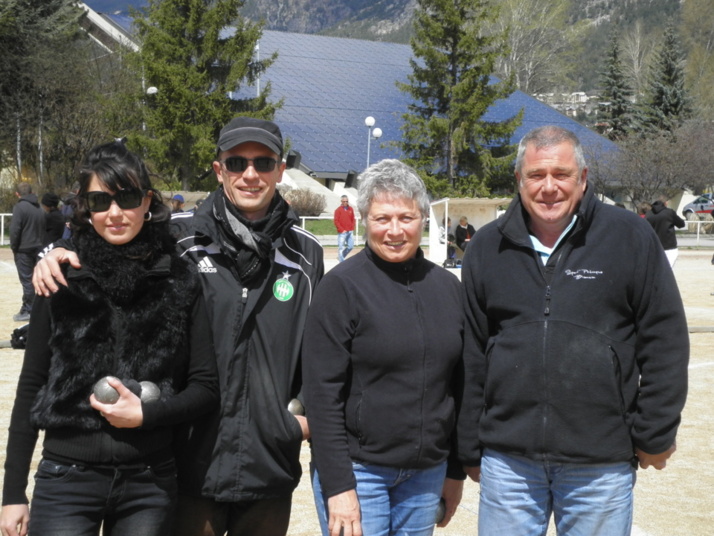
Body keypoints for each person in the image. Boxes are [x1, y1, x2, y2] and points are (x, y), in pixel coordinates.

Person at [31, 117, 324, 535]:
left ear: (280, 169)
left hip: (268, 461)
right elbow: (113, 235)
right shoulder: (177, 238)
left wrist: (300, 418)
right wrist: (56, 250)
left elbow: (319, 349)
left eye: (264, 162)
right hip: (188, 460)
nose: (250, 174)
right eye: (237, 162)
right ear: (219, 169)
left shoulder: (307, 254)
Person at [457, 125, 689, 536]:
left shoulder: (630, 236)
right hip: (508, 464)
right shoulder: (486, 247)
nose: (549, 187)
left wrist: (655, 430)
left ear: (582, 179)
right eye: (536, 175)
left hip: (599, 462)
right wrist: (469, 444)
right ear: (519, 180)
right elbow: (472, 353)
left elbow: (665, 338)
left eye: (561, 174)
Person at [1, 140, 219, 536]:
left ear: (148, 201)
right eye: (100, 201)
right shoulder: (60, 276)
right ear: (85, 207)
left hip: (149, 483)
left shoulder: (180, 279)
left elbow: (205, 386)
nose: (115, 213)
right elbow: (32, 383)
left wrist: (148, 414)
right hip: (67, 478)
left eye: (128, 197)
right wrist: (12, 492)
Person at [303, 159, 465, 536]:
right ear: (364, 220)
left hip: (426, 474)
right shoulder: (341, 288)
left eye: (406, 218)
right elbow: (322, 394)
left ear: (423, 218)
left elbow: (459, 384)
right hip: (361, 472)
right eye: (382, 219)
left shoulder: (448, 288)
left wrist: (454, 469)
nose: (394, 231)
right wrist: (339, 486)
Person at [10, 182, 45, 322]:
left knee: (27, 281)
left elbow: (15, 230)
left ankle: (29, 310)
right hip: (38, 247)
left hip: (23, 249)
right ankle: (31, 307)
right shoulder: (39, 207)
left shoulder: (19, 207)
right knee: (35, 279)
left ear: (17, 194)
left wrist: (14, 247)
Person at [646, 196, 686, 267]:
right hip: (669, 246)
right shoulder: (669, 212)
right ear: (665, 203)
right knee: (668, 270)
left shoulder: (648, 214)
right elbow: (681, 224)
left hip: (654, 246)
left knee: (656, 270)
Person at [333, 195, 356, 262]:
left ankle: (341, 256)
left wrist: (352, 227)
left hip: (350, 231)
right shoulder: (338, 210)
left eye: (347, 201)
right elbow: (336, 221)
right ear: (341, 201)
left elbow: (353, 219)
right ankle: (341, 261)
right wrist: (341, 229)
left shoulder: (350, 209)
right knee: (341, 247)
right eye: (344, 201)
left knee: (350, 246)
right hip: (342, 232)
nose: (346, 202)